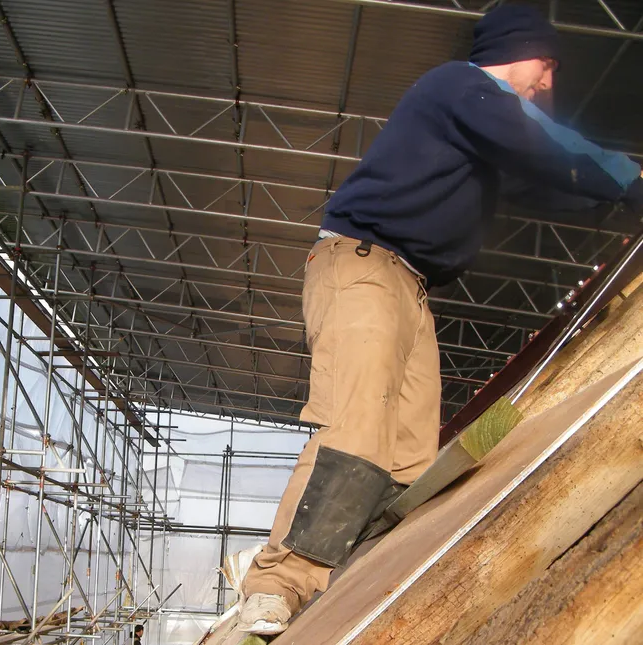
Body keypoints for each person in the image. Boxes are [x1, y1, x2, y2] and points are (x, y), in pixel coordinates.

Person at [237, 4, 643, 636]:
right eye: (548, 66)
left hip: (410, 286)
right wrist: (629, 178)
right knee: (357, 428)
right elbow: (542, 144)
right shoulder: (459, 84)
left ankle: (345, 576)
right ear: (517, 50)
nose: (549, 84)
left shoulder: (482, 129)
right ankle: (278, 583)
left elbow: (547, 182)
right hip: (363, 266)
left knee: (410, 461)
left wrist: (613, 201)